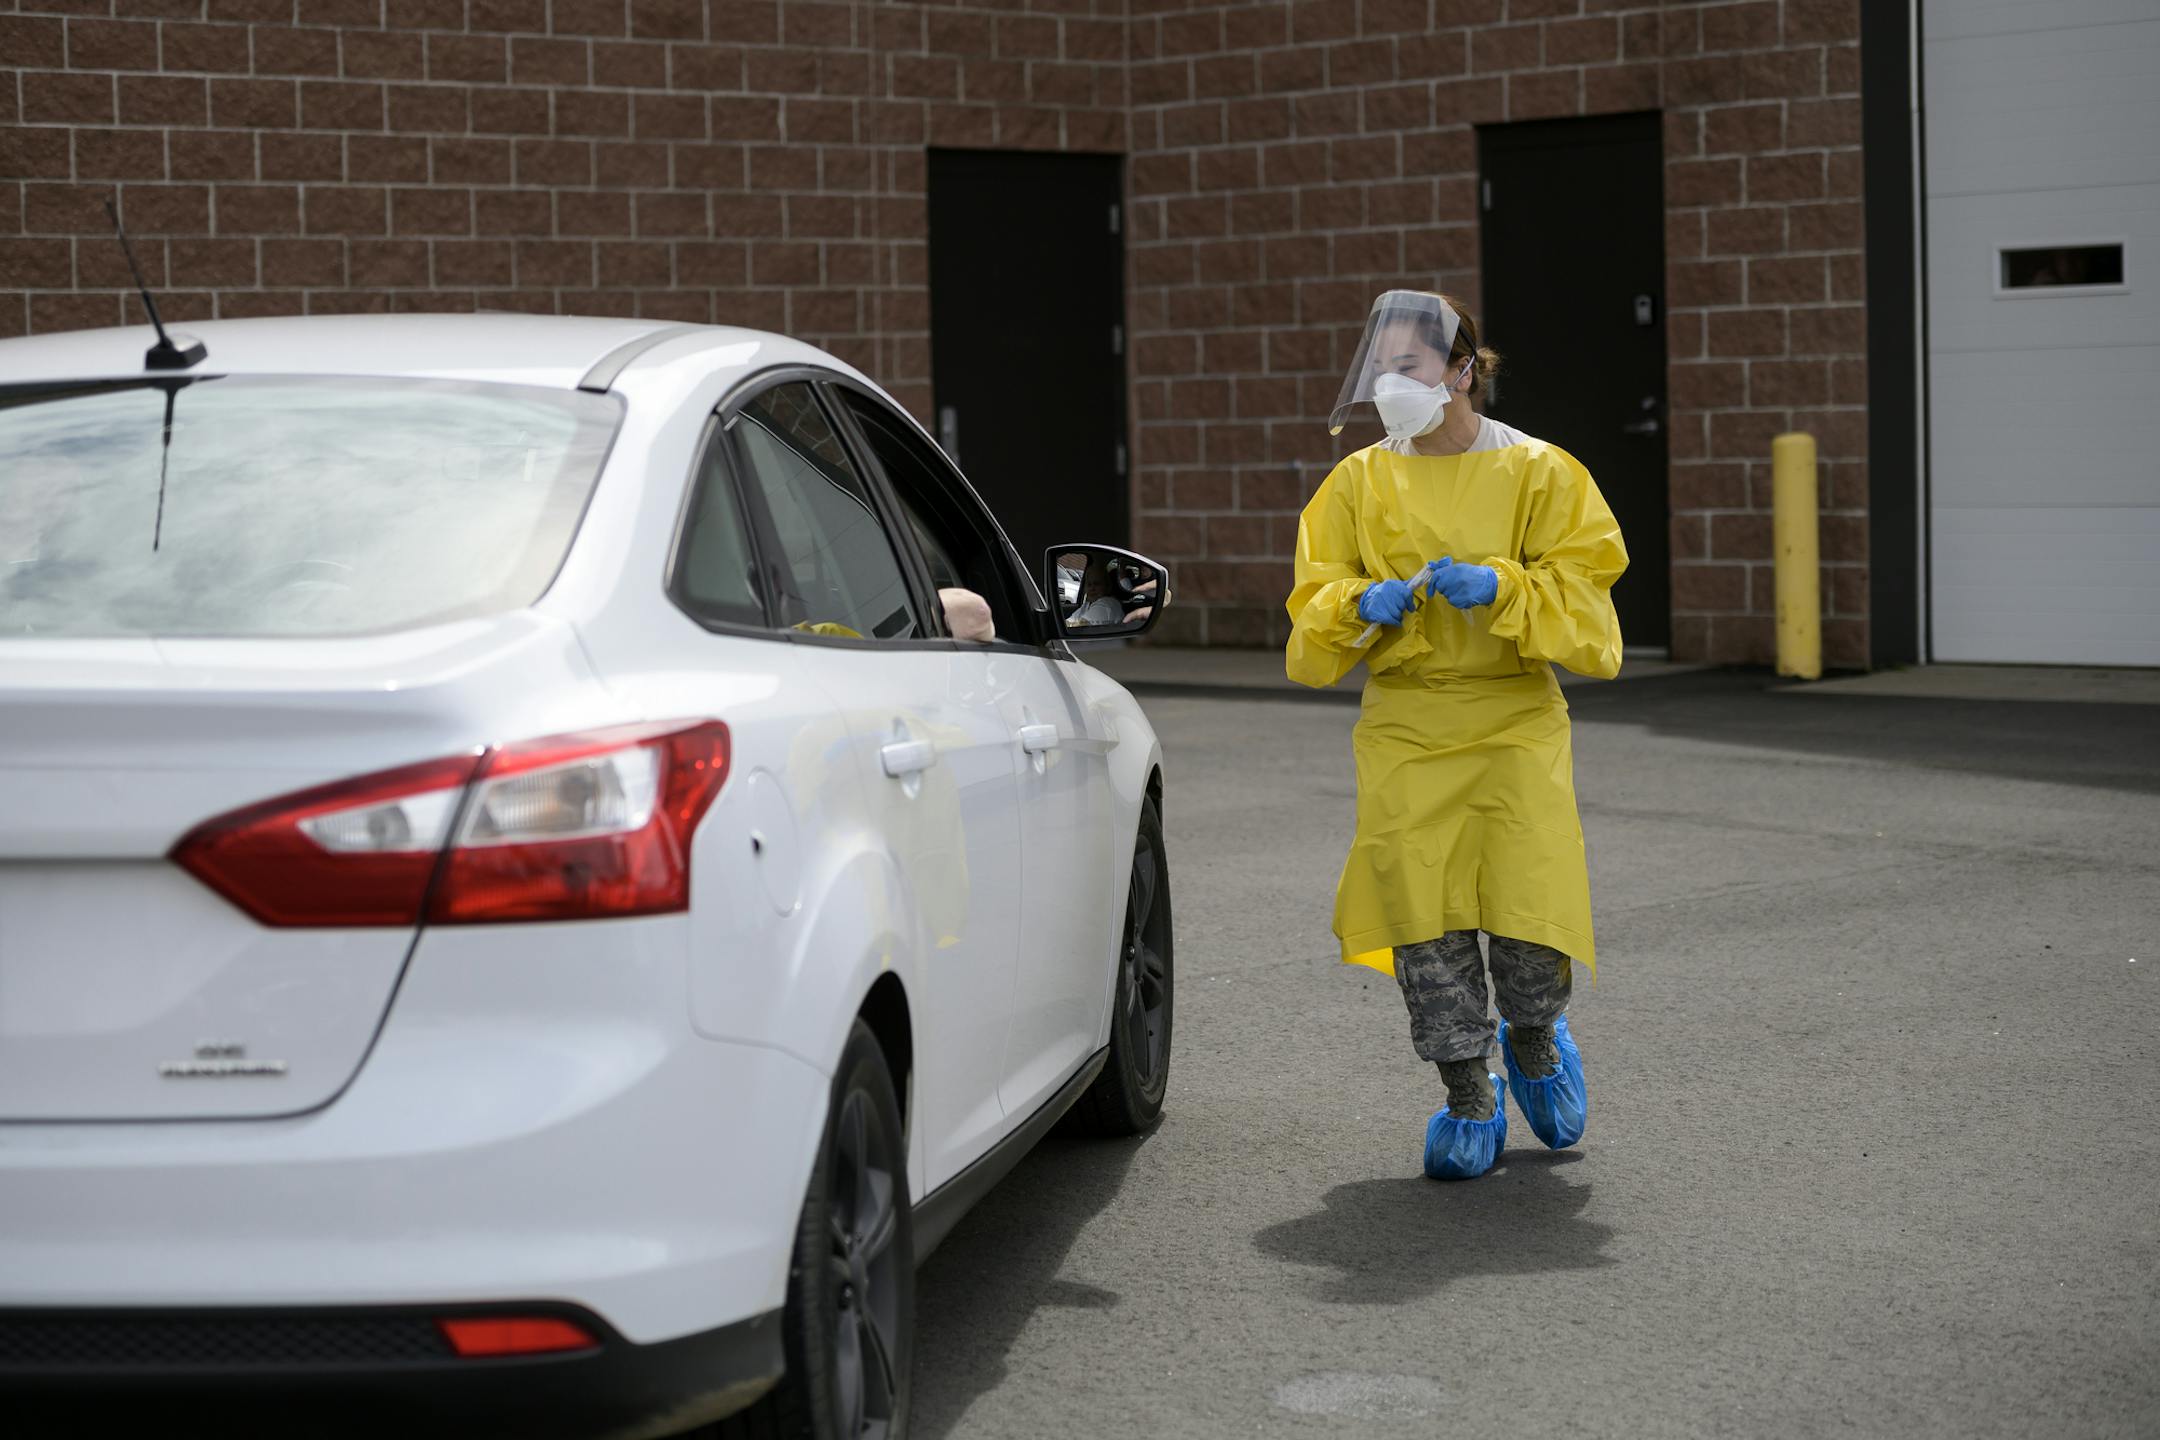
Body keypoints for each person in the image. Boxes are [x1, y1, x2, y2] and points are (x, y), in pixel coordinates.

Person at [1284, 290, 1626, 1181]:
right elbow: (1313, 606)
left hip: (1514, 719)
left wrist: (1507, 589)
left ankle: (1538, 1042)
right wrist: (1363, 602)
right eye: (1381, 369)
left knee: (1527, 914)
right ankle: (1469, 1091)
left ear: (1464, 371)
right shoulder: (1359, 480)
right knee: (1421, 919)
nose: (1392, 384)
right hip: (1408, 724)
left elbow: (1588, 599)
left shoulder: (1542, 472)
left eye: (1411, 366)